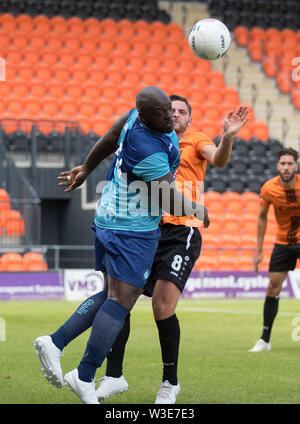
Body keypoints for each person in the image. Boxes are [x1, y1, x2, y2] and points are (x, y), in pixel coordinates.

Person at [33, 86, 209, 404]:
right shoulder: (149, 150)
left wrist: (87, 168)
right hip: (132, 230)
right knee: (120, 303)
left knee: (110, 295)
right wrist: (198, 210)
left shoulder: (133, 119)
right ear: (144, 115)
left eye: (171, 111)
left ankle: (55, 342)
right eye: (162, 113)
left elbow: (109, 136)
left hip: (108, 220)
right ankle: (84, 374)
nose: (169, 117)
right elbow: (169, 197)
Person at [95, 95, 250, 404]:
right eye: (172, 110)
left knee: (162, 307)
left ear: (189, 120)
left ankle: (170, 382)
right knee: (120, 299)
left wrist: (228, 137)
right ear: (163, 115)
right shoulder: (150, 140)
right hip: (147, 228)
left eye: (182, 112)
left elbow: (217, 158)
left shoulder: (195, 141)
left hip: (182, 231)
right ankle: (113, 376)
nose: (176, 115)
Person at [249, 147, 300, 352]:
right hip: (283, 242)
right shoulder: (269, 188)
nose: (286, 167)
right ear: (277, 165)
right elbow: (262, 217)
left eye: (290, 163)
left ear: (296, 166)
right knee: (273, 287)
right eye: (283, 163)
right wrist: (259, 250)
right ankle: (265, 339)